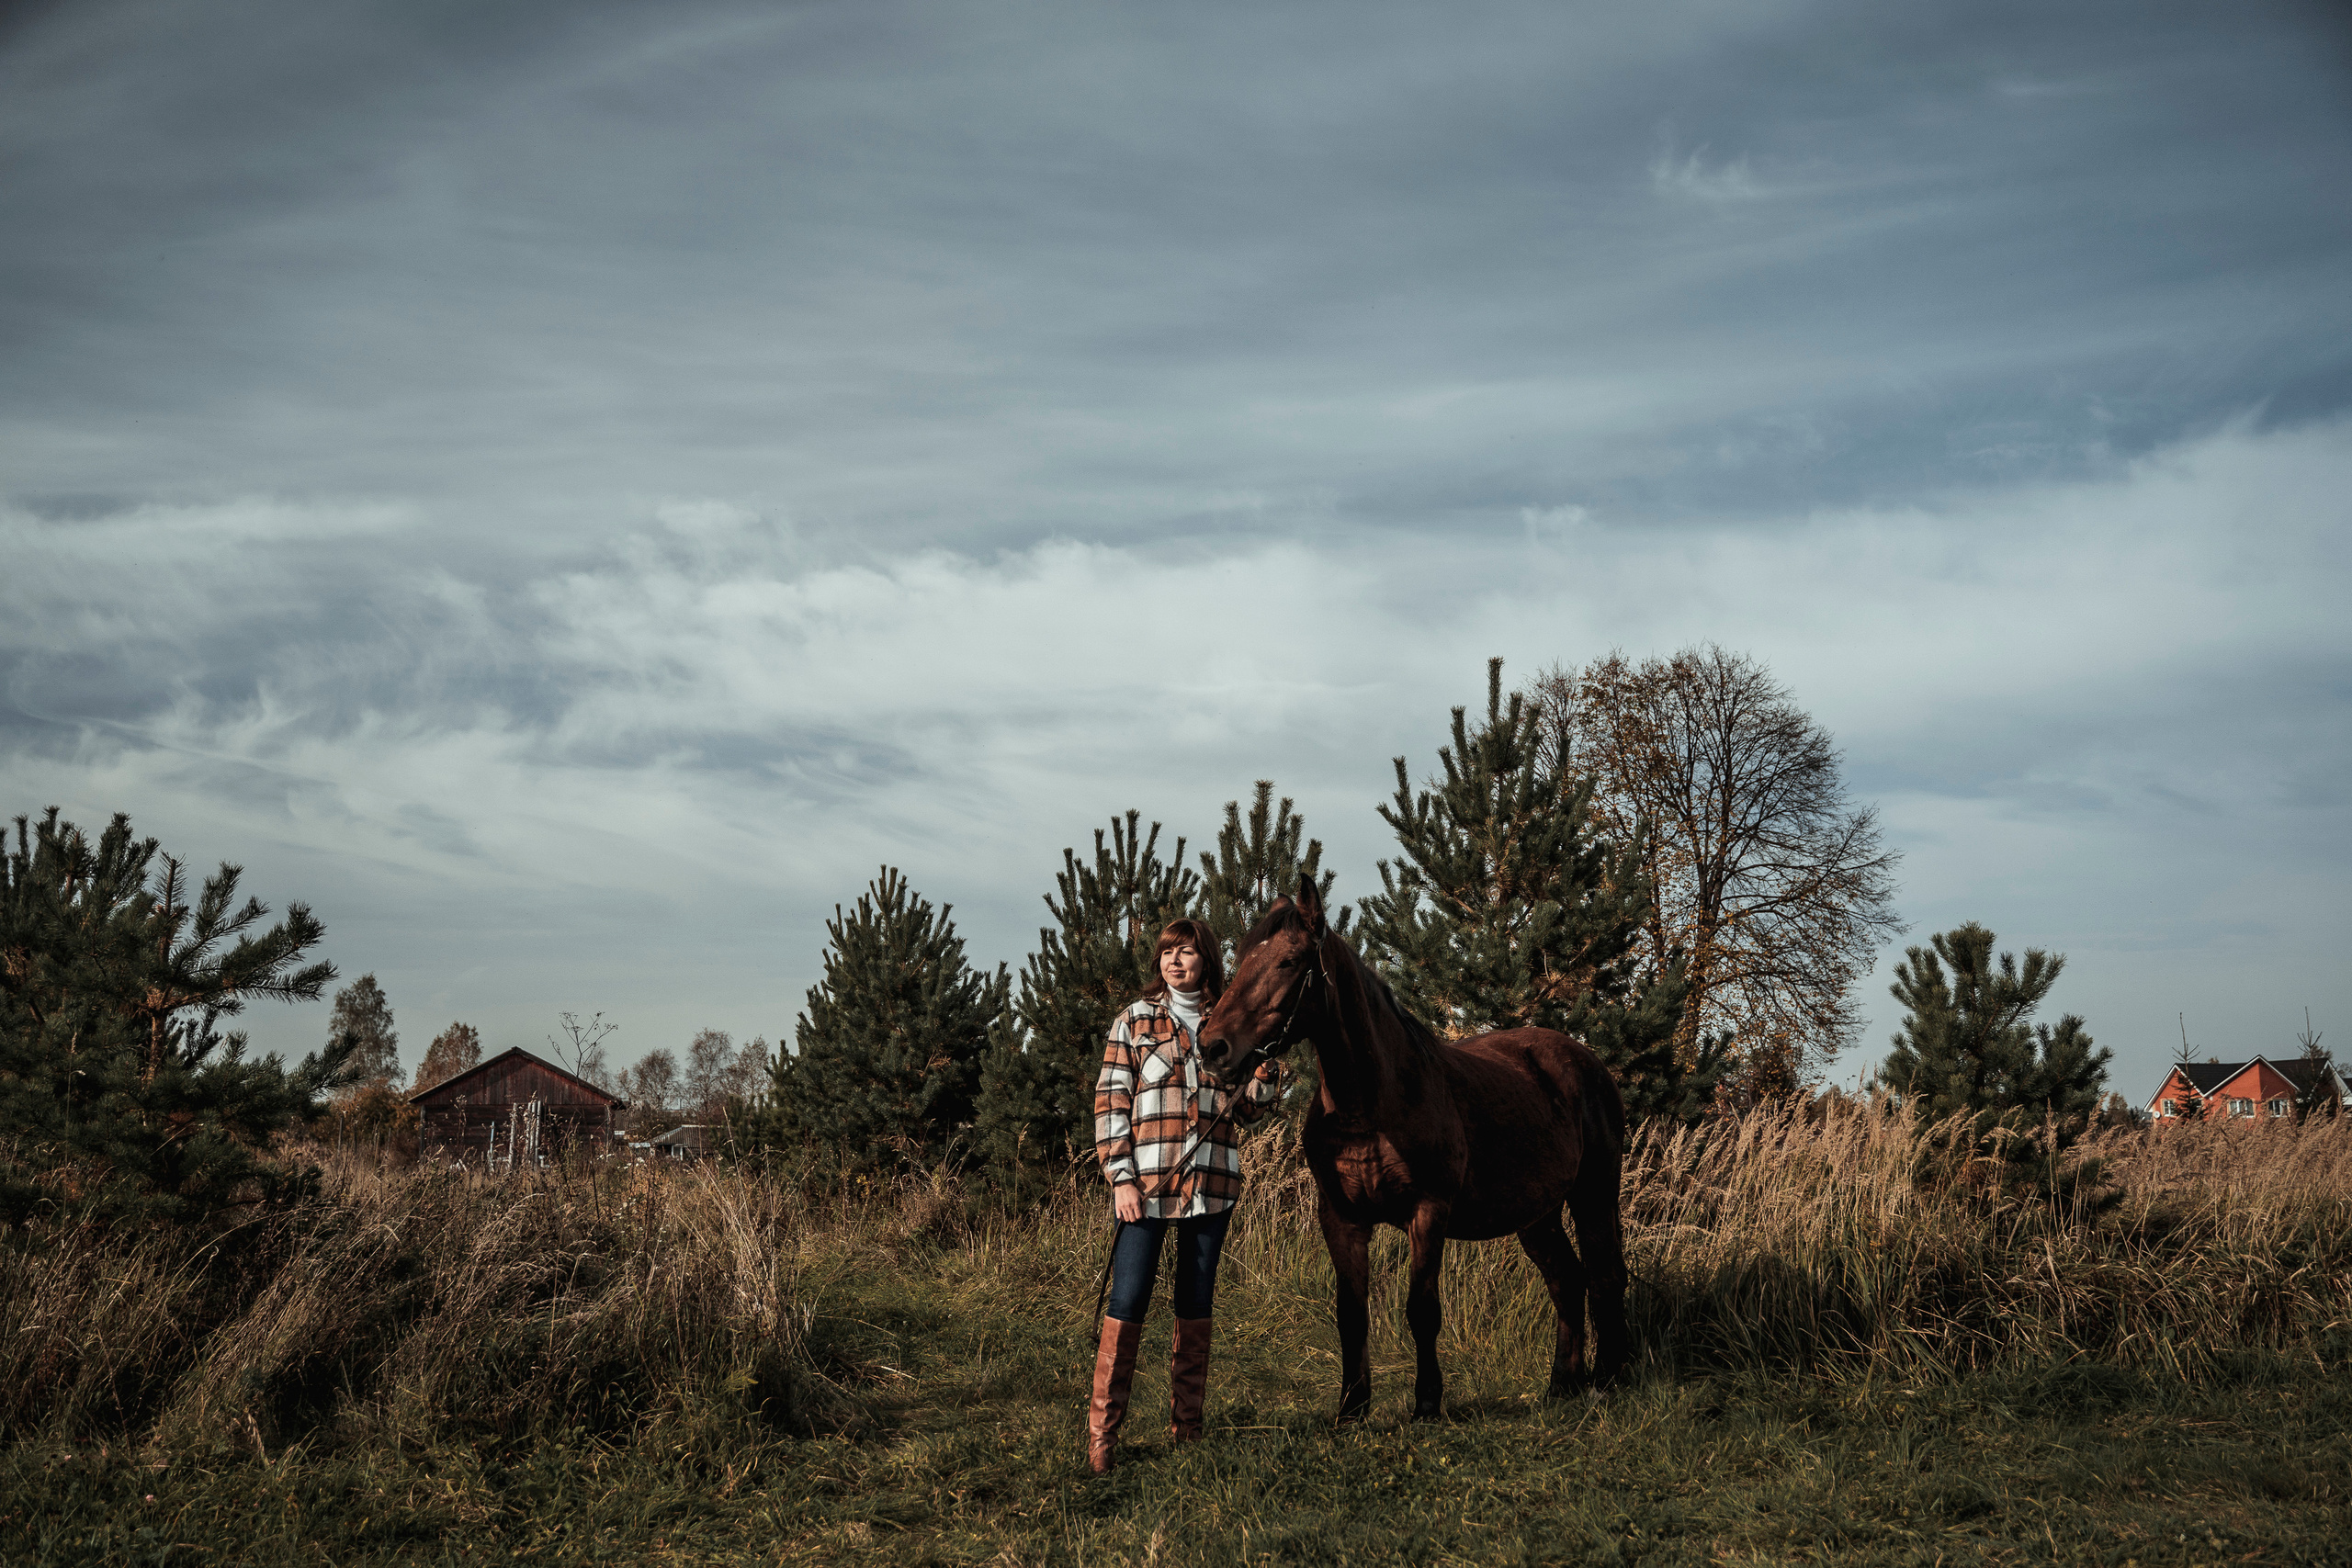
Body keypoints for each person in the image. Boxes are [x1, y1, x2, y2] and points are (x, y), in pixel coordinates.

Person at [1086, 918, 1285, 1473]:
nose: (1177, 961)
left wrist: (1266, 1075)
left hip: (1212, 1184)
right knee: (1128, 1303)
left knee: (1195, 1305)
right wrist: (1120, 1177)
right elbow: (1110, 1103)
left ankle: (1187, 1429)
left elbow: (1247, 1111)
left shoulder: (1228, 1022)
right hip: (1146, 1190)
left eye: (1188, 952)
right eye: (1169, 952)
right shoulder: (1135, 1020)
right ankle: (1103, 1437)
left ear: (1206, 960)